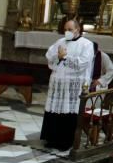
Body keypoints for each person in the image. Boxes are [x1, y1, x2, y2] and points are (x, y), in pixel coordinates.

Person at [40, 18, 94, 151]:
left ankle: (65, 141)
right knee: (55, 111)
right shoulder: (60, 42)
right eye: (65, 29)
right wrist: (57, 57)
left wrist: (65, 58)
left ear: (78, 29)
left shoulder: (86, 44)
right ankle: (51, 139)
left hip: (73, 85)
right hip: (58, 83)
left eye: (70, 29)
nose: (67, 32)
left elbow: (83, 63)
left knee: (68, 112)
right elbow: (49, 56)